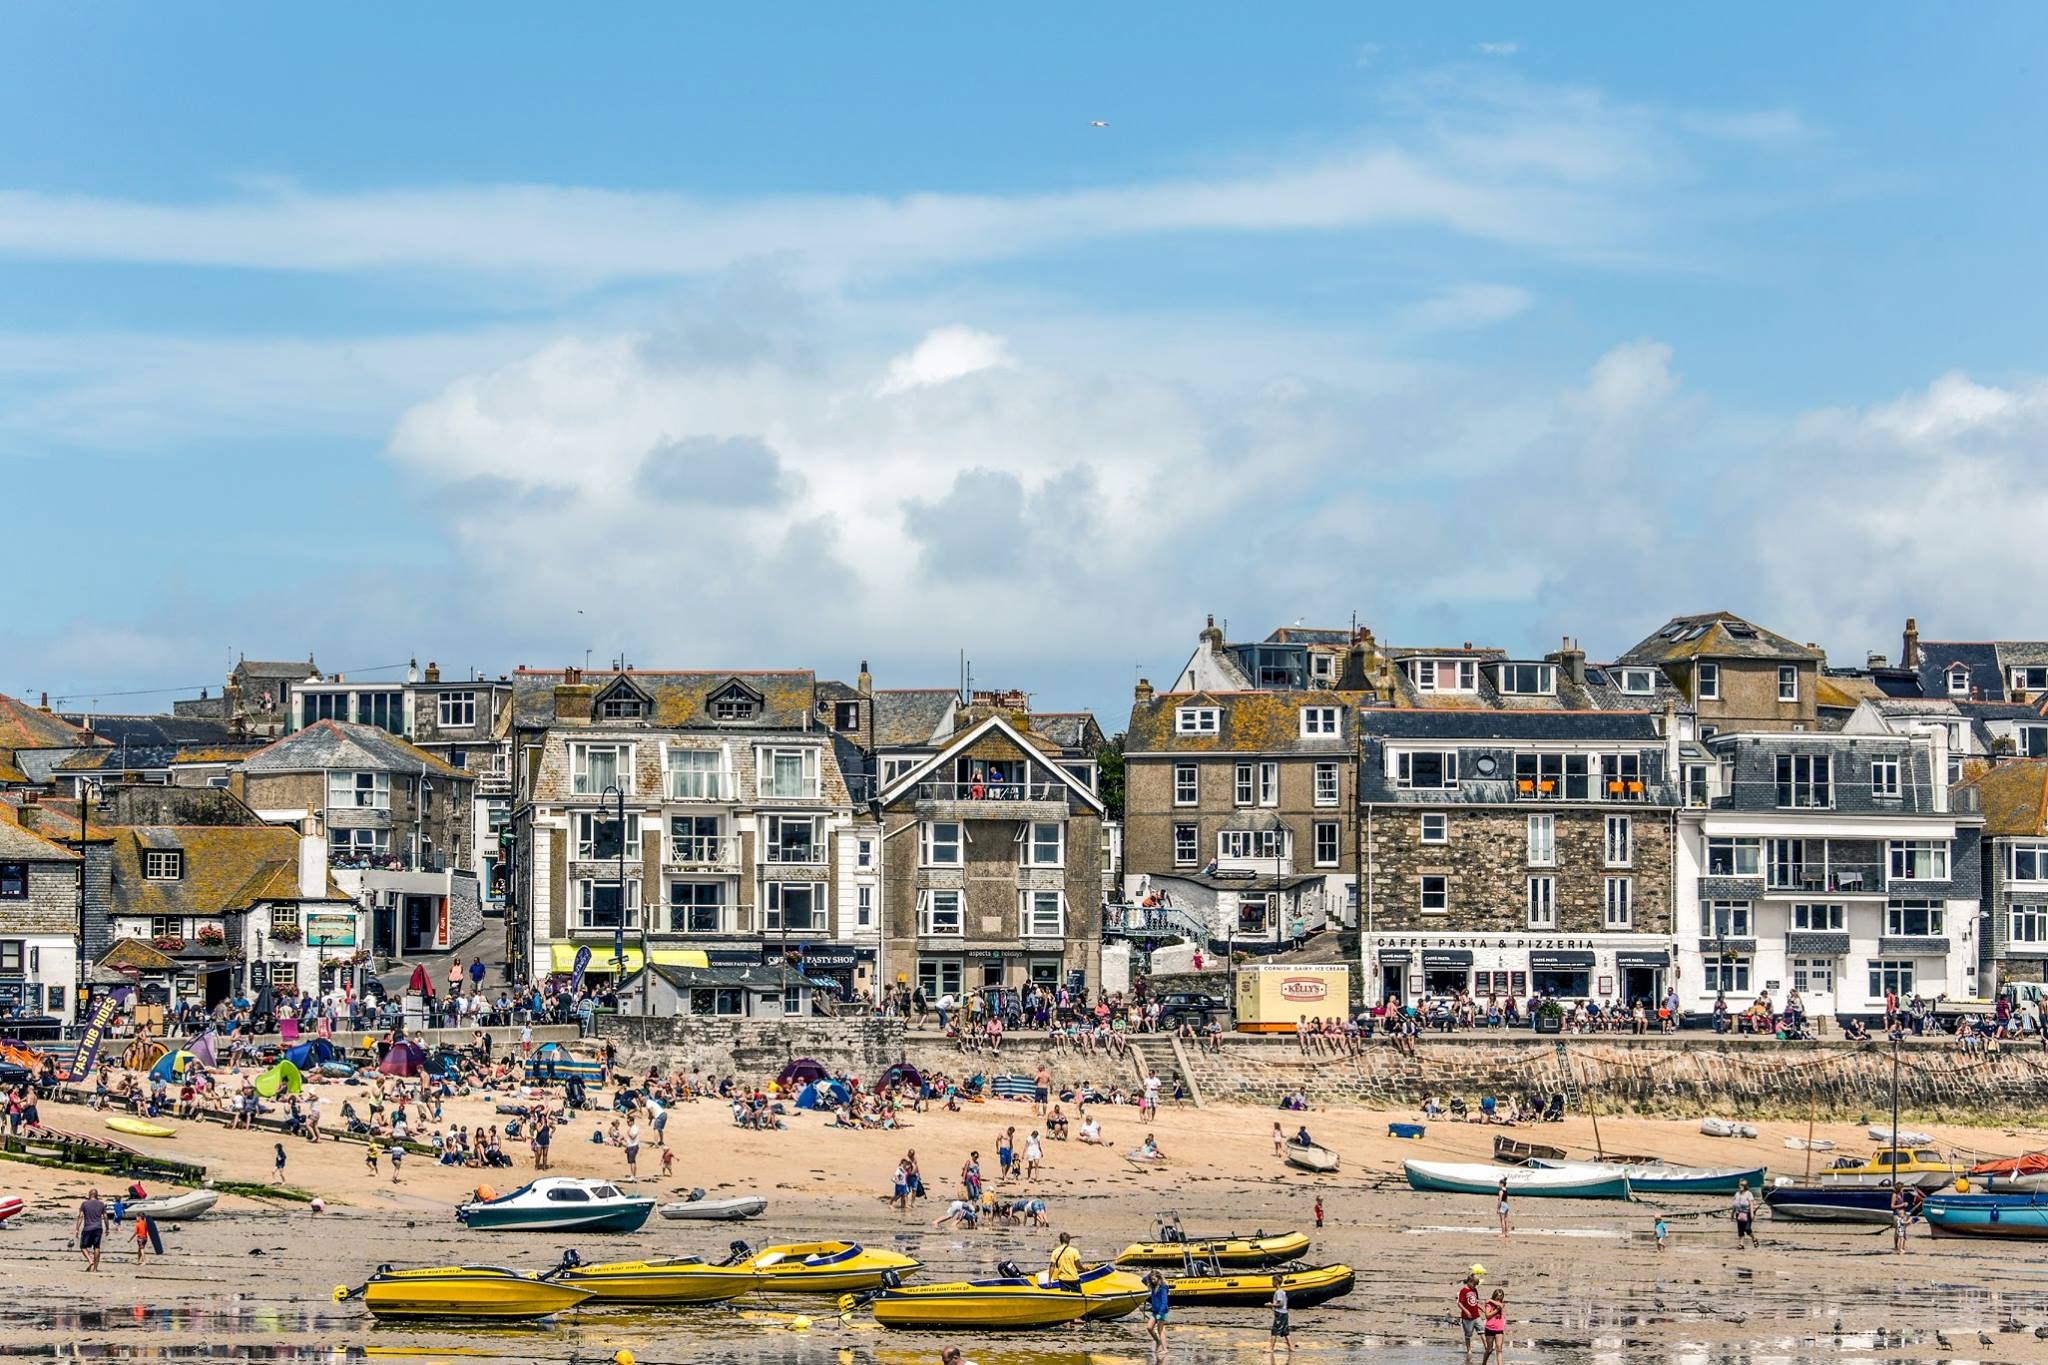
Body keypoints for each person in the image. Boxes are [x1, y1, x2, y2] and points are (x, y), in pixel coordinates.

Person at [1456, 1267, 1484, 1363]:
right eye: (1473, 1284)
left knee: (1482, 1330)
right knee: (1468, 1335)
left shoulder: (1475, 1290)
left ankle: (1487, 1347)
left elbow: (1476, 1301)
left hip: (1476, 1315)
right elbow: (1459, 1303)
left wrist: (1482, 1308)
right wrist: (1466, 1311)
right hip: (1467, 1317)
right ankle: (1469, 1349)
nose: (1474, 1286)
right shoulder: (1463, 1291)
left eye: (1476, 1285)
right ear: (1469, 1281)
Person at [76, 1189, 107, 1271]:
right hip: (98, 1228)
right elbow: (105, 1217)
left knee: (83, 1247)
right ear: (97, 1195)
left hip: (87, 1228)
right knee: (97, 1247)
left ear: (89, 1194)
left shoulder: (84, 1204)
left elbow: (81, 1216)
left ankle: (90, 1260)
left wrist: (77, 1229)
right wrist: (107, 1228)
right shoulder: (101, 1204)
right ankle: (95, 1269)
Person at [1145, 1269, 1170, 1353]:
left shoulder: (1163, 1287)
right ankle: (1158, 1341)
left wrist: (1160, 1313)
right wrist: (1150, 1274)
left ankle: (1165, 1349)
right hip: (1155, 1312)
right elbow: (1143, 1280)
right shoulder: (1153, 1286)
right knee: (1149, 1327)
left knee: (1160, 1330)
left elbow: (1164, 1302)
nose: (1152, 1281)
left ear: (1159, 1278)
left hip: (1162, 1312)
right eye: (1151, 1279)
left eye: (1154, 1279)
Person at [1268, 1278, 1293, 1362]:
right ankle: (1291, 1346)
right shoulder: (1283, 1291)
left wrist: (1271, 1304)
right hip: (1285, 1313)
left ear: (1276, 1282)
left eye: (1272, 1281)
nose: (1272, 1283)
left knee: (1275, 1330)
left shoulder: (1278, 1292)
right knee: (1285, 1331)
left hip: (1280, 1313)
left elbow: (1280, 1303)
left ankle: (1271, 1348)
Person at [1481, 1289, 1507, 1364]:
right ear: (1494, 1296)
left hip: (1499, 1329)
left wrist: (1490, 1300)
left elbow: (1501, 1306)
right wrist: (1496, 1311)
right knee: (1489, 1349)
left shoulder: (1501, 1304)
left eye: (1500, 1298)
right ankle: (1484, 1363)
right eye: (1497, 1298)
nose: (1499, 1300)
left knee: (1499, 1349)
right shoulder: (1489, 1305)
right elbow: (1487, 1316)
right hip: (1490, 1328)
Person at [1732, 1178, 1757, 1249]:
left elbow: (1751, 1204)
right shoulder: (1737, 1194)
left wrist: (1752, 1214)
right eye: (1739, 1185)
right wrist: (1732, 1214)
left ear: (1745, 1186)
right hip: (1739, 1213)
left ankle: (1754, 1238)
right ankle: (1741, 1244)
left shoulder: (1749, 1194)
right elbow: (1734, 1205)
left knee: (1747, 1229)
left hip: (1747, 1213)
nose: (1740, 1187)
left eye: (1742, 1185)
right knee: (1740, 1229)